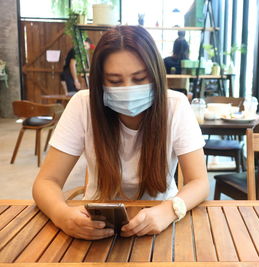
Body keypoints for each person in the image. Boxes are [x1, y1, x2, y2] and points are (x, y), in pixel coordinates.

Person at [33, 26, 209, 240]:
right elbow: (46, 181)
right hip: (95, 224)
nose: (128, 88)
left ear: (155, 75)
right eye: (115, 81)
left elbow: (199, 182)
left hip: (161, 222)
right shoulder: (83, 105)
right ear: (100, 81)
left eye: (140, 78)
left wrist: (169, 210)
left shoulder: (175, 105)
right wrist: (62, 216)